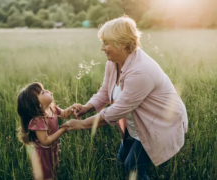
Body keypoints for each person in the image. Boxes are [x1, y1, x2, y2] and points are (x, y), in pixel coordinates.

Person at [62, 16, 188, 180]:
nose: (102, 48)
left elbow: (115, 112)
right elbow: (105, 91)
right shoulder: (113, 62)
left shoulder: (141, 71)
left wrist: (81, 124)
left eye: (106, 43)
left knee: (133, 167)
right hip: (136, 123)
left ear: (122, 44)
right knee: (122, 159)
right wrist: (88, 107)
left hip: (158, 124)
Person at [17, 82, 79, 180]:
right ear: (39, 105)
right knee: (45, 176)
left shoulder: (51, 108)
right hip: (43, 155)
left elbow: (63, 114)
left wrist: (72, 108)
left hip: (52, 149)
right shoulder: (39, 120)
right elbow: (45, 141)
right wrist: (63, 129)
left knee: (54, 170)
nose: (46, 91)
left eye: (43, 89)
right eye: (42, 92)